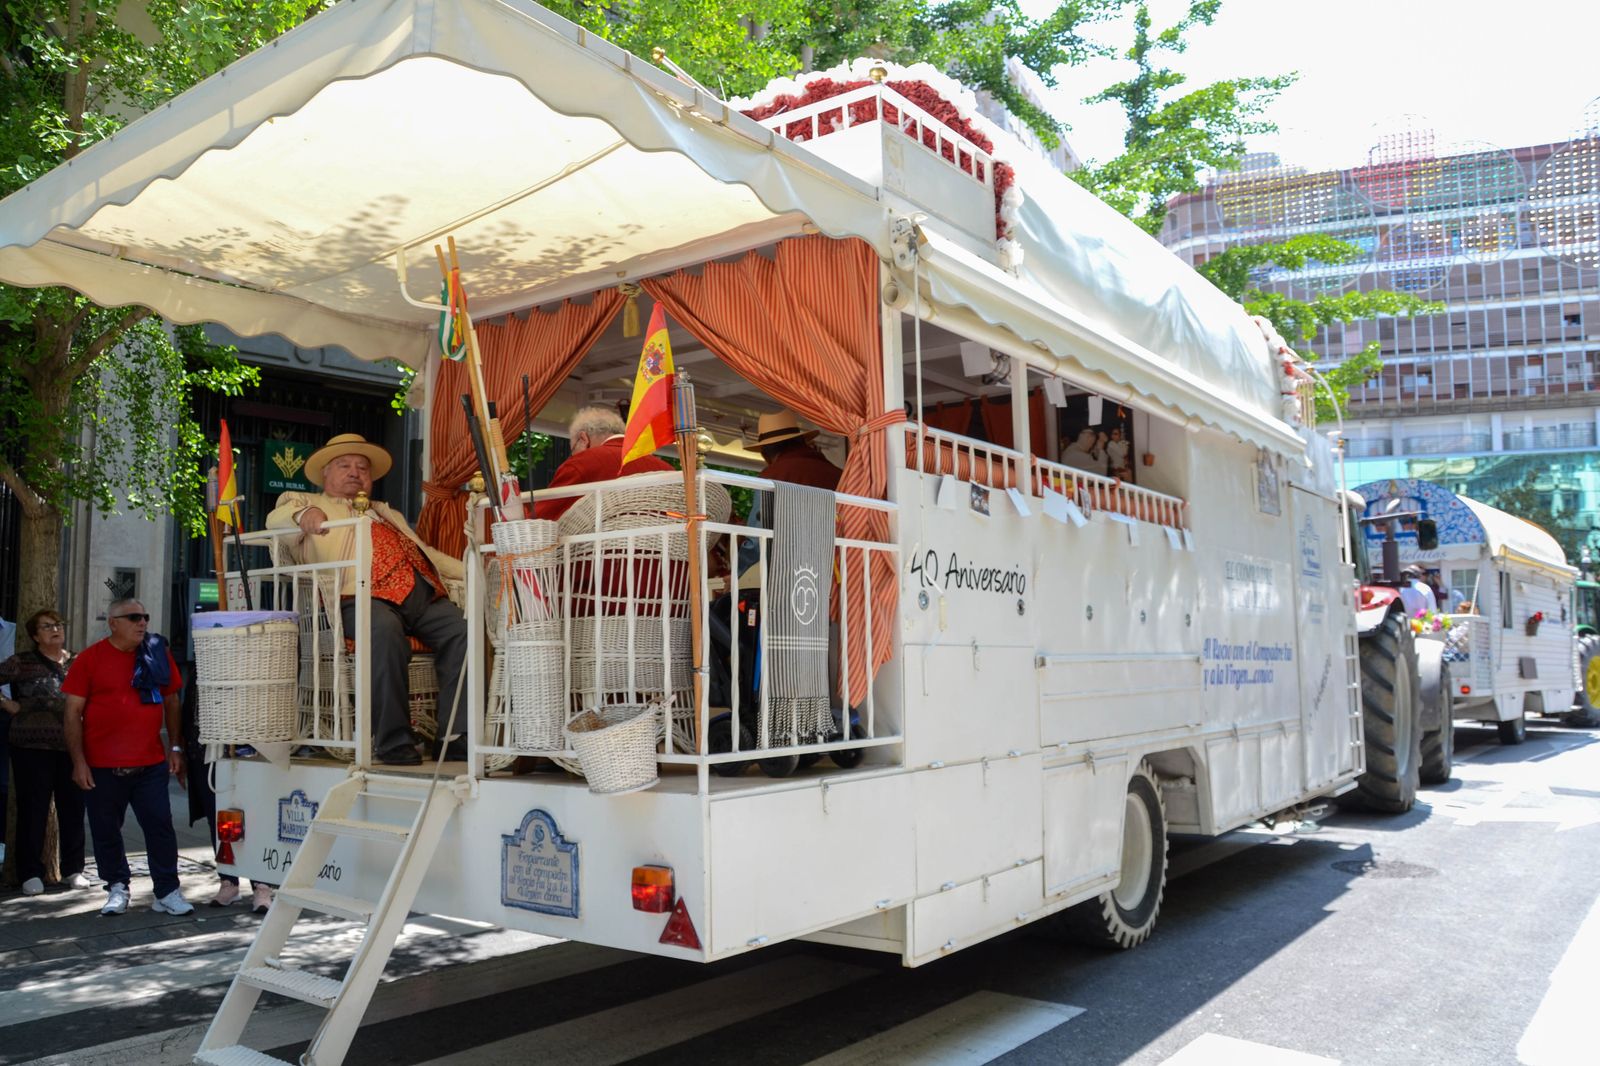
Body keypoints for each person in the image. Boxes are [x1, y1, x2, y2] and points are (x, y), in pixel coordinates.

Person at [268, 433, 468, 766]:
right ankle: (393, 741)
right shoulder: (307, 502)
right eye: (344, 465)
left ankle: (454, 737)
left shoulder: (386, 513)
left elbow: (427, 553)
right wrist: (304, 517)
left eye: (362, 467)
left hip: (418, 593)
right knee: (384, 631)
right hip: (356, 596)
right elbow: (275, 520)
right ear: (326, 476)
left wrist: (477, 567)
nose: (355, 472)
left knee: (463, 630)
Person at [63, 599, 191, 916]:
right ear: (113, 622)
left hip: (149, 764)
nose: (142, 623)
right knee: (106, 830)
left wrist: (175, 747)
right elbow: (72, 713)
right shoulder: (90, 659)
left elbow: (172, 701)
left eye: (145, 616)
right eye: (134, 617)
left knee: (161, 826)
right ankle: (117, 887)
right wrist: (79, 762)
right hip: (102, 766)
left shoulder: (155, 654)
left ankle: (167, 891)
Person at [1, 609, 90, 895]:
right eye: (47, 626)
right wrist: (8, 704)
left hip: (72, 747)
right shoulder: (21, 663)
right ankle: (30, 873)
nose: (55, 629)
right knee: (33, 809)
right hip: (32, 748)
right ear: (35, 636)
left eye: (58, 624)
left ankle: (73, 869)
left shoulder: (77, 661)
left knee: (73, 808)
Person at [532, 405, 674, 520]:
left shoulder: (583, 462)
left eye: (573, 449)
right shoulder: (669, 470)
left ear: (583, 439)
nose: (573, 455)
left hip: (602, 553)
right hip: (669, 553)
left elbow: (541, 520)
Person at [753, 410, 842, 490]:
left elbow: (762, 508)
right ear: (802, 442)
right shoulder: (840, 475)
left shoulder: (770, 476)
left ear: (765, 455)